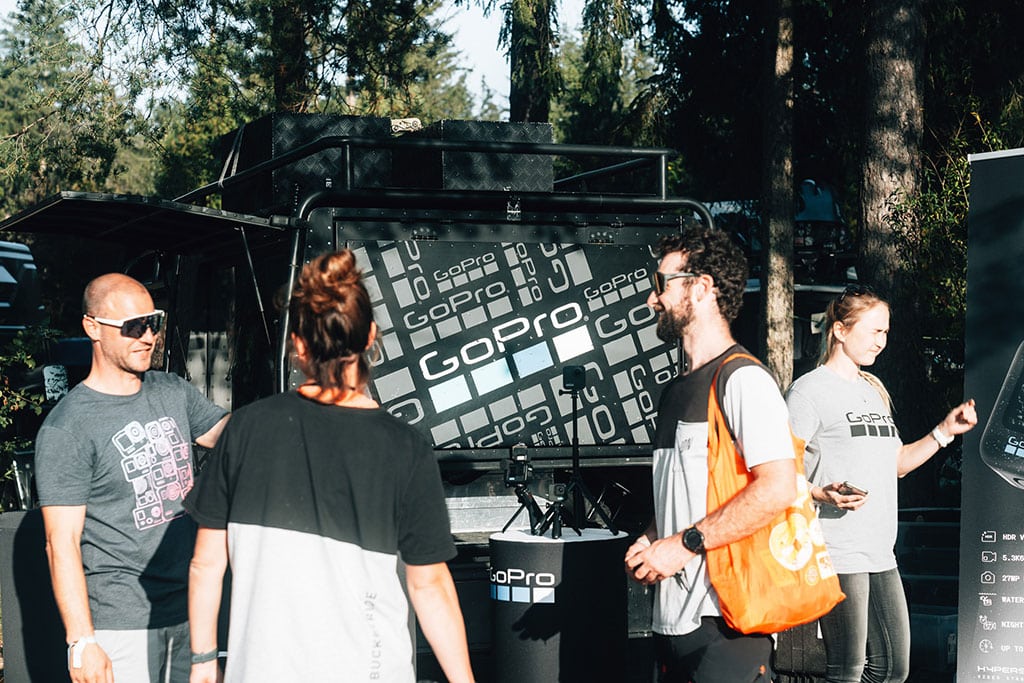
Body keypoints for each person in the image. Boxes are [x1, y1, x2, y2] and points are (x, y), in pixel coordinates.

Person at [184, 249, 474, 683]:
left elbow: (205, 564)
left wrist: (204, 660)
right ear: (371, 335)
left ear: (297, 345)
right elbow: (429, 585)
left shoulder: (245, 429)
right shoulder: (405, 448)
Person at [35, 273, 230, 683]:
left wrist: (296, 413)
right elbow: (61, 543)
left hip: (190, 608)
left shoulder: (171, 391)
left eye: (154, 323)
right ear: (92, 327)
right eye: (133, 326)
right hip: (121, 622)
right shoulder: (67, 427)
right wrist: (82, 642)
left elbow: (229, 437)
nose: (148, 337)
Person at [624, 227, 798, 682]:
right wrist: (653, 535)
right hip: (675, 621)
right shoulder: (675, 391)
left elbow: (778, 487)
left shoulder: (743, 380)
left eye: (662, 283)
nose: (652, 299)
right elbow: (690, 494)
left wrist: (681, 546)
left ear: (700, 288)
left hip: (728, 623)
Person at [785, 285, 977, 683]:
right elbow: (776, 474)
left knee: (893, 669)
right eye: (874, 331)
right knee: (847, 671)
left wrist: (944, 432)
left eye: (886, 333)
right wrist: (820, 493)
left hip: (879, 552)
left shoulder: (873, 391)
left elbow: (899, 464)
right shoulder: (808, 391)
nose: (882, 342)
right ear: (839, 330)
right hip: (835, 553)